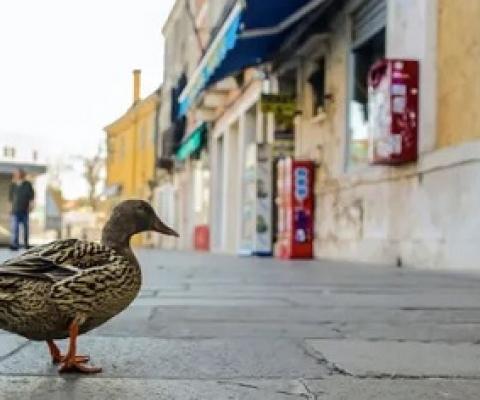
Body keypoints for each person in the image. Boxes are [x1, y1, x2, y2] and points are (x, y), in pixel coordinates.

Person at [8, 169, 34, 250]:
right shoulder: (13, 185)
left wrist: (31, 207)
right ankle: (14, 245)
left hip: (25, 210)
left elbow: (31, 197)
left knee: (25, 228)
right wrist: (9, 209)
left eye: (19, 174)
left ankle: (26, 244)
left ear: (23, 175)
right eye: (16, 174)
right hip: (15, 211)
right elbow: (10, 199)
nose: (18, 175)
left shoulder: (28, 184)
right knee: (15, 228)